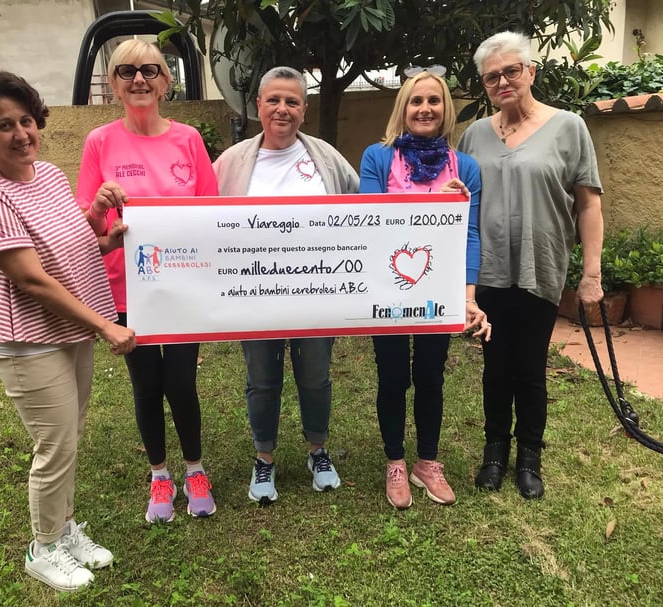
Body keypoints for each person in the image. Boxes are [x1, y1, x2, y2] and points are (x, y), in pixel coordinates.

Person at [0, 70, 136, 592]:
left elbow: (69, 242)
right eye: (3, 126)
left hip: (67, 328)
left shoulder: (49, 175)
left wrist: (101, 230)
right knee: (55, 442)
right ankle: (44, 547)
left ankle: (64, 528)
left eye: (26, 121)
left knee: (68, 435)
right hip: (25, 339)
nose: (20, 134)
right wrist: (107, 326)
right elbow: (31, 279)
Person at [76, 39, 219, 522]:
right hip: (126, 288)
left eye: (150, 70)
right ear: (114, 85)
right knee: (146, 384)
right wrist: (100, 209)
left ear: (165, 82)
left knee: (181, 381)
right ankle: (160, 475)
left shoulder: (189, 140)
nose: (139, 79)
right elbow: (86, 223)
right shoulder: (99, 142)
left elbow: (212, 213)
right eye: (127, 71)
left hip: (182, 286)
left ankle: (195, 469)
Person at [458, 31, 604, 499]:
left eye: (511, 71)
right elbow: (458, 204)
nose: (503, 82)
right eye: (491, 77)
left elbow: (589, 204)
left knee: (530, 367)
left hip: (540, 267)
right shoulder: (474, 135)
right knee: (495, 368)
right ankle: (494, 452)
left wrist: (592, 274)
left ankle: (529, 458)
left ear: (531, 72)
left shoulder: (568, 127)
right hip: (488, 271)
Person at [213, 66, 359, 505]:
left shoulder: (326, 158)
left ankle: (318, 451)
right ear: (258, 106)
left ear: (304, 110)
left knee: (315, 375)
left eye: (292, 101)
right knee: (262, 378)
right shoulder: (231, 162)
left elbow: (367, 208)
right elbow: (199, 216)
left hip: (317, 292)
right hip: (254, 293)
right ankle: (264, 457)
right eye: (273, 100)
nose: (282, 109)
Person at [359, 67, 491, 509]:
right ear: (403, 108)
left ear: (445, 109)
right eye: (416, 101)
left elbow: (469, 234)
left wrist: (469, 298)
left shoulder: (465, 167)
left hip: (440, 291)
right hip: (388, 289)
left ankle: (427, 462)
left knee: (431, 375)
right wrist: (438, 204)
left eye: (434, 100)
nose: (425, 108)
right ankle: (395, 460)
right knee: (393, 375)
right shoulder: (377, 158)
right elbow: (372, 221)